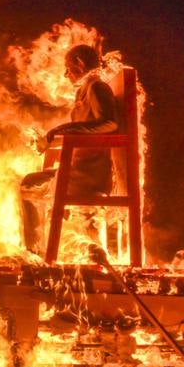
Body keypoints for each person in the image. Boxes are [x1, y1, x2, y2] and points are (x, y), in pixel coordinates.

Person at [21, 44, 121, 253]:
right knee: (30, 182)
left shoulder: (97, 87)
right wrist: (48, 139)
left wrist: (60, 130)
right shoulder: (84, 93)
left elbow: (110, 123)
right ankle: (40, 247)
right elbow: (80, 132)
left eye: (68, 68)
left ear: (79, 64)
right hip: (77, 169)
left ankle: (36, 251)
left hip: (88, 174)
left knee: (29, 185)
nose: (66, 74)